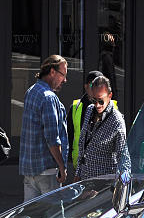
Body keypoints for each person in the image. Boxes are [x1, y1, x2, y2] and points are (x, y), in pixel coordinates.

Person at [20, 54, 69, 201]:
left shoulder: (31, 91)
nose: (64, 80)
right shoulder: (48, 97)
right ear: (52, 72)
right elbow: (52, 138)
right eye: (63, 75)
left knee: (30, 217)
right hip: (46, 170)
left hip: (29, 169)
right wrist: (62, 166)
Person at [75, 75, 130, 181]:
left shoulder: (116, 121)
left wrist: (123, 182)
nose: (97, 105)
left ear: (110, 96)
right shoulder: (90, 110)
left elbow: (123, 155)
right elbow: (83, 146)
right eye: (93, 100)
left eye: (100, 101)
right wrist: (78, 173)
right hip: (85, 179)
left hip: (103, 184)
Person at [67, 70, 108, 174]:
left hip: (102, 167)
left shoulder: (111, 108)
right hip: (80, 167)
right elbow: (69, 136)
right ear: (86, 86)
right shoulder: (76, 108)